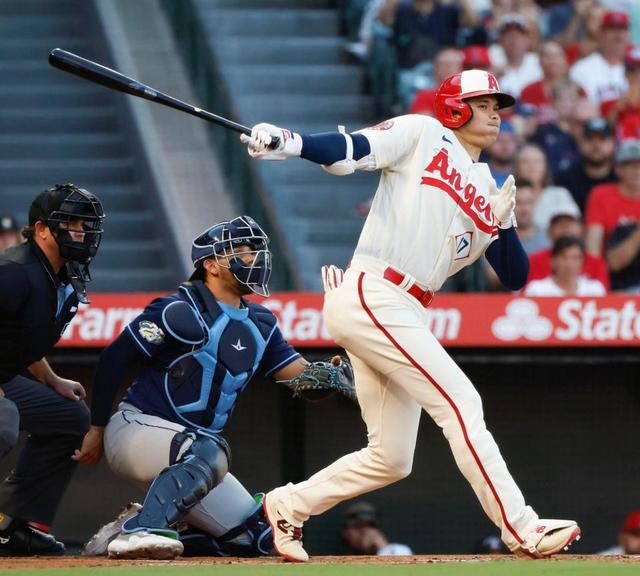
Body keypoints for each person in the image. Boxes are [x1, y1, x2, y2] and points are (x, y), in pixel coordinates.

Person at [240, 68, 581, 562]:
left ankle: (284, 506)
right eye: (483, 103)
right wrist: (290, 142)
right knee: (461, 402)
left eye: (496, 106)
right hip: (376, 289)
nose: (494, 114)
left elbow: (514, 277)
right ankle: (521, 527)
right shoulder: (423, 133)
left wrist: (503, 224)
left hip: (408, 308)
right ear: (455, 107)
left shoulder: (487, 184)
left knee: (391, 458)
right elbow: (351, 149)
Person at [73, 215, 355, 559]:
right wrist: (97, 428)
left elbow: (302, 380)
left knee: (260, 539)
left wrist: (335, 376)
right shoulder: (178, 309)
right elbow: (113, 360)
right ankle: (142, 529)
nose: (254, 259)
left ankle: (149, 524)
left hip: (198, 457)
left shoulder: (262, 323)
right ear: (211, 265)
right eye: (241, 251)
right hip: (137, 430)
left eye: (255, 251)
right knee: (209, 450)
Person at [0, 183, 105, 556]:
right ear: (42, 229)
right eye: (72, 225)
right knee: (2, 419)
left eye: (85, 226)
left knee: (69, 417)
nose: (82, 234)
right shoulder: (14, 271)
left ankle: (12, 527)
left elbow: (16, 335)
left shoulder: (59, 274)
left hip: (6, 377)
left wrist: (50, 378)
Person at [585, 139, 640, 291]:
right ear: (617, 169)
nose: (637, 170)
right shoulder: (602, 195)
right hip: (615, 277)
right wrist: (594, 282)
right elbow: (593, 245)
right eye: (629, 164)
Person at [527, 206, 610, 290]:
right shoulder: (534, 261)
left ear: (582, 229)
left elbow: (604, 298)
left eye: (571, 223)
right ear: (549, 231)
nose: (565, 228)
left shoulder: (597, 264)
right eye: (559, 224)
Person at [555, 117, 617, 214]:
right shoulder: (566, 178)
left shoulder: (622, 176)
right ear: (581, 143)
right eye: (590, 139)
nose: (596, 145)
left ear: (612, 143)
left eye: (602, 139)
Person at [569, 10, 630, 109]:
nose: (618, 35)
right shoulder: (581, 69)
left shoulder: (636, 67)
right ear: (600, 34)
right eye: (612, 29)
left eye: (623, 29)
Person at [524, 236, 607, 296]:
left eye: (575, 258)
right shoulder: (537, 289)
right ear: (552, 261)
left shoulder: (595, 289)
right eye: (564, 257)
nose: (569, 263)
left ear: (582, 262)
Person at [341, 501, 412, 556]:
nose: (365, 532)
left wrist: (383, 548)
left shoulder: (398, 551)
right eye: (358, 527)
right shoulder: (335, 559)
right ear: (345, 532)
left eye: (370, 526)